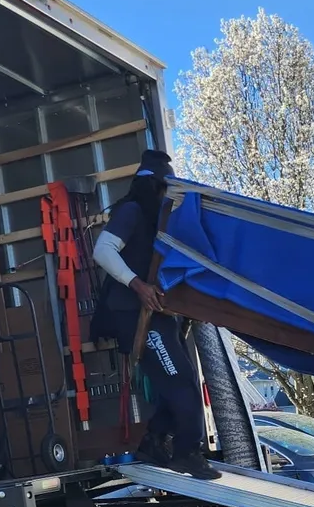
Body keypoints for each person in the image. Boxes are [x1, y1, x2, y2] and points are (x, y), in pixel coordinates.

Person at [90, 149, 220, 480]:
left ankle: (153, 440)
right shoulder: (132, 211)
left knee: (178, 379)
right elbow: (102, 251)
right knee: (180, 380)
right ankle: (187, 452)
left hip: (156, 312)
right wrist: (137, 285)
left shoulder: (156, 222)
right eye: (164, 190)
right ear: (153, 187)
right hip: (133, 312)